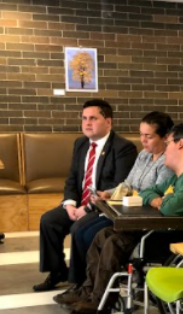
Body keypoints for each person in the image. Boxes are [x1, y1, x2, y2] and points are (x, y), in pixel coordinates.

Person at [67, 123, 183, 314]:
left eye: (169, 143)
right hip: (166, 230)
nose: (167, 148)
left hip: (179, 237)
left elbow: (169, 207)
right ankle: (90, 292)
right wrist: (158, 199)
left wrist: (163, 201)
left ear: (181, 144)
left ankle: (100, 302)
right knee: (103, 235)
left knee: (114, 241)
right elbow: (149, 191)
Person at [55, 111, 174, 304]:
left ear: (165, 137)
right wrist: (109, 194)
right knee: (83, 230)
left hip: (140, 220)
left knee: (88, 233)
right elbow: (128, 184)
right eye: (141, 134)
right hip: (124, 210)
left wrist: (134, 196)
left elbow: (154, 195)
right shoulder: (144, 155)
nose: (143, 140)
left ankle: (96, 289)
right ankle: (86, 286)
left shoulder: (167, 162)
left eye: (149, 136)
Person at [34, 99, 137, 292]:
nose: (87, 123)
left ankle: (78, 281)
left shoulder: (123, 147)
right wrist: (70, 204)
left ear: (108, 122)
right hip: (79, 203)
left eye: (93, 118)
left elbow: (119, 187)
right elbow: (73, 177)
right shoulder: (80, 143)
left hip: (103, 207)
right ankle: (57, 271)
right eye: (84, 118)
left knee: (79, 228)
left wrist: (87, 208)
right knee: (49, 220)